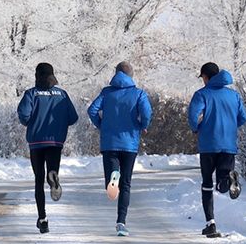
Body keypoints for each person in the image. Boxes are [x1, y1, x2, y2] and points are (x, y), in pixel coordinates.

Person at [87, 61, 152, 237]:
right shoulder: (139, 93)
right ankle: (121, 222)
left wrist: (101, 125)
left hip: (109, 142)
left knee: (112, 179)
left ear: (115, 74)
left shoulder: (107, 93)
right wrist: (142, 125)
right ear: (131, 75)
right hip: (130, 143)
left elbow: (92, 110)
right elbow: (146, 113)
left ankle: (112, 176)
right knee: (126, 184)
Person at [187, 62, 246, 238]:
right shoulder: (233, 95)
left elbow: (192, 116)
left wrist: (196, 128)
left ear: (206, 77)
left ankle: (210, 223)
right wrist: (230, 126)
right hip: (228, 144)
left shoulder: (202, 94)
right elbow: (243, 117)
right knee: (221, 184)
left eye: (203, 77)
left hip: (208, 145)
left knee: (206, 184)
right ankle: (228, 180)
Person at [17, 62, 79, 234]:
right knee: (52, 170)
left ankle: (42, 218)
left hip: (36, 142)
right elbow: (73, 117)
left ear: (37, 75)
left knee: (38, 179)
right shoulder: (62, 94)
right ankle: (53, 177)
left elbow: (23, 115)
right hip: (55, 142)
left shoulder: (31, 94)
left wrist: (31, 122)